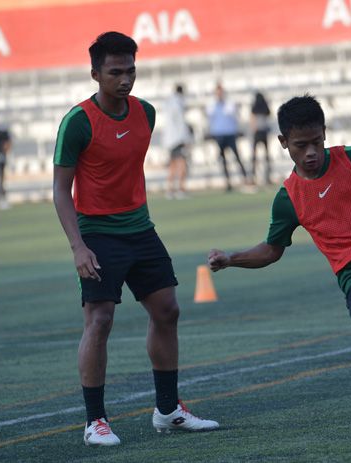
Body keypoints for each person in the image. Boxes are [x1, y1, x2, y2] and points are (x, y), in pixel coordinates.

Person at [208, 94, 351, 450]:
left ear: (324, 133)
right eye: (300, 145)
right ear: (283, 143)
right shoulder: (288, 196)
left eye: (317, 142)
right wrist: (231, 258)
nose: (311, 152)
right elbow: (271, 250)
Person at [52, 31, 219, 447]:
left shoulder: (146, 113)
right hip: (97, 233)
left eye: (131, 70)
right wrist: (78, 247)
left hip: (141, 229)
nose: (125, 80)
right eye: (115, 72)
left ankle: (168, 411)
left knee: (167, 310)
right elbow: (60, 190)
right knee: (100, 320)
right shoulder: (77, 122)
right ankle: (95, 422)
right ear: (95, 73)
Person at [206, 83, 250, 191]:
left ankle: (245, 179)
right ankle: (228, 182)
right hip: (219, 135)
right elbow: (210, 120)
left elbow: (236, 116)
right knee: (223, 160)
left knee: (237, 157)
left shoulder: (230, 104)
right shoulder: (211, 105)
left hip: (230, 134)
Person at [161, 84, 193, 199]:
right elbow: (180, 123)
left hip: (169, 139)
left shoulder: (168, 102)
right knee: (182, 164)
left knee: (173, 165)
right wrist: (186, 139)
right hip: (178, 139)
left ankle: (170, 190)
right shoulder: (178, 103)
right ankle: (181, 189)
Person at [250, 91, 273, 185]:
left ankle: (253, 176)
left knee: (255, 156)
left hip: (257, 132)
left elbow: (252, 119)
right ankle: (267, 176)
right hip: (263, 132)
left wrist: (253, 128)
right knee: (266, 155)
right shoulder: (264, 107)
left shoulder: (254, 107)